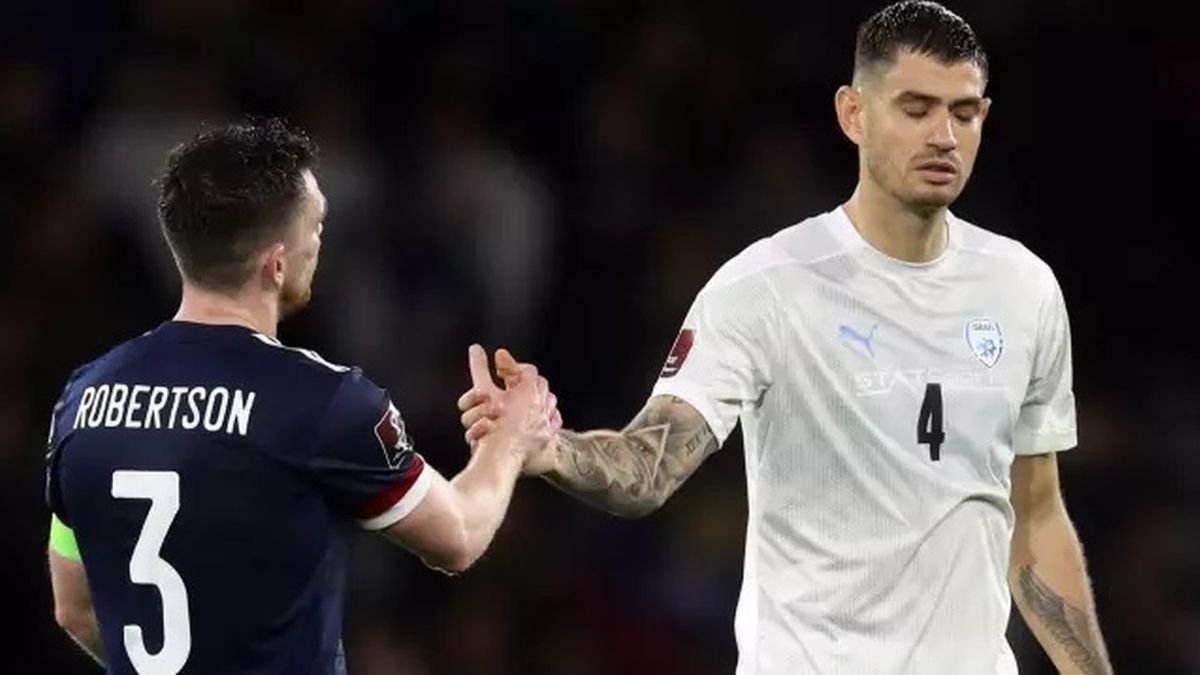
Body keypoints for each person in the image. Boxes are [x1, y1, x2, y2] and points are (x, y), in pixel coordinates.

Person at [459, 2, 1112, 673]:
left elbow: (1038, 519)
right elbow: (649, 465)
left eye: (963, 113)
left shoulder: (1023, 288)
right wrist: (548, 448)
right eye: (916, 109)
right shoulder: (766, 287)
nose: (943, 136)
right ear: (853, 113)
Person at [45, 117, 558, 674]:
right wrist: (511, 437)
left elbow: (75, 608)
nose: (319, 242)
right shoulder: (323, 401)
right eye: (315, 226)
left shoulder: (84, 399)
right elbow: (459, 534)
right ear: (276, 262)